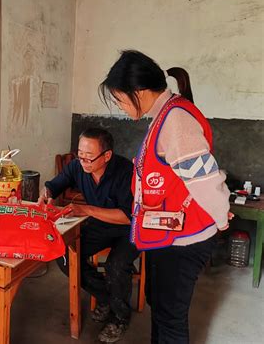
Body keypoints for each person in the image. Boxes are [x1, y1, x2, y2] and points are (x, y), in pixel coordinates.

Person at [98, 50, 232, 344]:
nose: (120, 107)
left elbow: (206, 181)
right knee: (161, 307)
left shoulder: (176, 122)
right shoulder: (165, 114)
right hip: (169, 232)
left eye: (120, 98)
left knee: (170, 318)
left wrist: (221, 218)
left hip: (184, 240)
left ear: (140, 91)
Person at [38, 128, 139, 343]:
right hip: (99, 226)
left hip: (128, 230)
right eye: (80, 155)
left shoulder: (126, 172)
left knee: (116, 265)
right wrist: (45, 195)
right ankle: (108, 297)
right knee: (65, 253)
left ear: (107, 155)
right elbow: (54, 185)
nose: (83, 161)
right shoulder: (77, 166)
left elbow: (129, 217)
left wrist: (87, 210)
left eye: (89, 157)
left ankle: (120, 317)